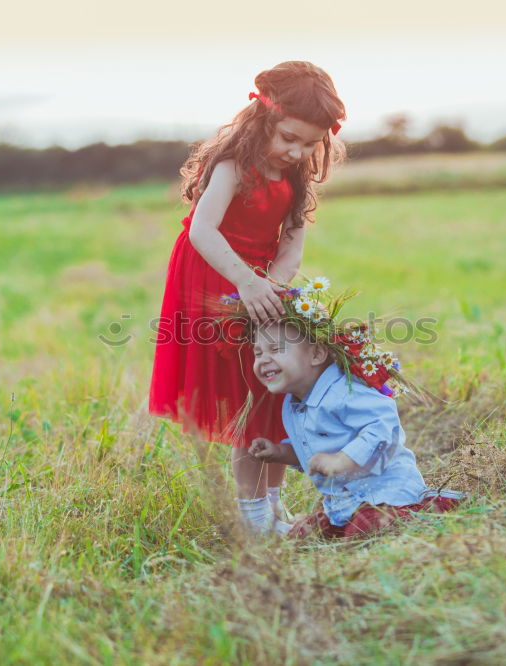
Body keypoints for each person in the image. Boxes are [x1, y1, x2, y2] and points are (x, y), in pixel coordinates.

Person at [148, 61, 346, 535]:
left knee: (275, 398)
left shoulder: (295, 176)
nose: (298, 152)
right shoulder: (233, 165)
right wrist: (247, 283)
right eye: (288, 138)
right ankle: (254, 520)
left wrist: (274, 285)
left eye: (309, 143)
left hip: (264, 283)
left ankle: (274, 511)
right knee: (249, 398)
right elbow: (201, 230)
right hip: (217, 276)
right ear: (262, 121)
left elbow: (292, 241)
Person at [248, 319, 465, 539]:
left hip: (386, 493)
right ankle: (341, 523)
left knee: (365, 529)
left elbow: (383, 427)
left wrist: (342, 459)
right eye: (257, 353)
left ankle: (436, 505)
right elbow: (312, 451)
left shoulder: (344, 391)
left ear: (316, 354)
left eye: (276, 349)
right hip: (344, 503)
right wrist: (279, 452)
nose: (264, 359)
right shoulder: (293, 404)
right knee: (303, 535)